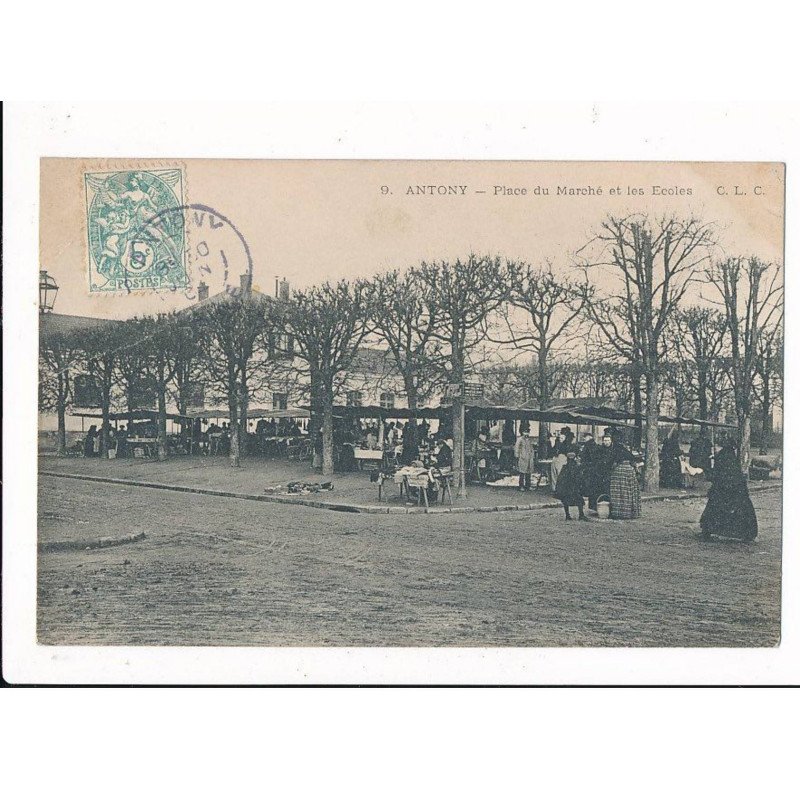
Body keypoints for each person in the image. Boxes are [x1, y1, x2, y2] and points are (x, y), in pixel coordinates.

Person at [700, 439, 757, 541]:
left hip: (723, 488)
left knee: (716, 508)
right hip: (735, 489)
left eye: (716, 446)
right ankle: (745, 532)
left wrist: (708, 470)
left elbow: (717, 474)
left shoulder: (721, 457)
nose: (715, 449)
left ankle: (709, 529)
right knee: (739, 509)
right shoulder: (731, 457)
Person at [609, 440, 641, 520]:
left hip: (618, 472)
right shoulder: (630, 465)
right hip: (629, 471)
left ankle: (617, 512)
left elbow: (613, 463)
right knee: (629, 492)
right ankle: (628, 512)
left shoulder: (616, 466)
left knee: (617, 492)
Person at [555, 450, 588, 521]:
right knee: (579, 500)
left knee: (566, 501)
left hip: (567, 489)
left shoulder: (565, 467)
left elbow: (560, 479)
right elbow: (579, 478)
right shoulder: (576, 467)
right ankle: (581, 515)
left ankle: (567, 515)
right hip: (575, 488)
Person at [550, 427, 574, 492]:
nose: (560, 439)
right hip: (555, 458)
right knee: (554, 474)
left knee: (560, 475)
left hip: (562, 458)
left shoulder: (567, 444)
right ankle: (555, 489)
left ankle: (559, 490)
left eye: (562, 438)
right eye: (560, 437)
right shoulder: (557, 442)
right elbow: (553, 450)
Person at [514, 422, 536, 491]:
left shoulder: (529, 440)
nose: (526, 433)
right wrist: (517, 456)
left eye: (527, 432)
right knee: (522, 472)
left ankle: (528, 485)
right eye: (525, 432)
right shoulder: (520, 439)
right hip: (522, 457)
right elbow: (516, 448)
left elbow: (532, 448)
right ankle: (521, 486)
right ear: (522, 432)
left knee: (528, 473)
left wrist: (533, 456)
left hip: (529, 458)